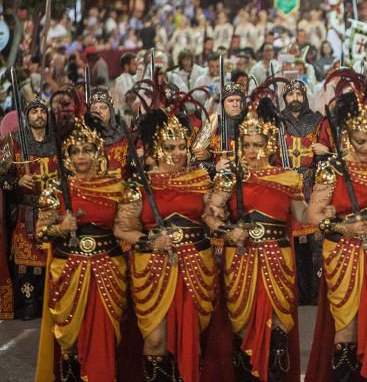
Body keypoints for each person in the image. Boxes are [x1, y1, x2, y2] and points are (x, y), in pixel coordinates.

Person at [203, 101, 310, 382]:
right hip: (241, 257)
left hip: (278, 257)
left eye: (257, 144)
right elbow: (211, 216)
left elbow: (305, 215)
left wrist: (330, 203)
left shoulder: (288, 178)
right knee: (244, 324)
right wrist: (228, 232)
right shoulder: (230, 177)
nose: (252, 151)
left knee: (277, 328)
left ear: (270, 144)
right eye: (247, 144)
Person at [305, 73, 367, 382]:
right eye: (361, 142)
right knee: (346, 326)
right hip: (343, 254)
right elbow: (314, 214)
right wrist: (343, 227)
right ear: (347, 136)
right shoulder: (333, 167)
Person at [113, 110, 217, 382]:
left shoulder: (200, 179)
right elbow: (122, 228)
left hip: (194, 264)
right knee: (156, 340)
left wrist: (223, 222)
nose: (179, 152)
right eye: (170, 147)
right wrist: (151, 240)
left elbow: (212, 216)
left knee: (189, 337)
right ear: (157, 148)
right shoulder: (139, 185)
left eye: (183, 146)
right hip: (154, 269)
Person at [34, 118, 127, 382]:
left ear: (98, 152)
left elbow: (125, 228)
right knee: (69, 340)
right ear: (67, 156)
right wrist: (61, 228)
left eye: (87, 149)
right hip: (68, 269)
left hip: (108, 269)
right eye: (75, 151)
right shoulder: (54, 189)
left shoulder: (116, 187)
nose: (81, 156)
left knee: (105, 336)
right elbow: (41, 231)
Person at [5, 98, 57, 321]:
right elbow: (1, 174)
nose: (38, 114)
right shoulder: (15, 141)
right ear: (27, 116)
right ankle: (28, 304)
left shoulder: (59, 142)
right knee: (26, 264)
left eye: (42, 111)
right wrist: (17, 183)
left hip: (54, 212)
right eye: (34, 111)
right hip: (26, 211)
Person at [277, 80, 325, 305]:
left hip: (311, 183)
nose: (294, 98)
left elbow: (330, 150)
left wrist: (324, 152)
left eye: (298, 94)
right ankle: (293, 293)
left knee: (315, 243)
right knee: (291, 243)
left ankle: (316, 293)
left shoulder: (317, 121)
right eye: (290, 95)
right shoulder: (277, 122)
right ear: (285, 98)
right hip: (287, 186)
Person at [88, 88, 129, 177]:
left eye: (103, 107)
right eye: (94, 108)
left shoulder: (126, 135)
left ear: (111, 111)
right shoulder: (84, 139)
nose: (98, 111)